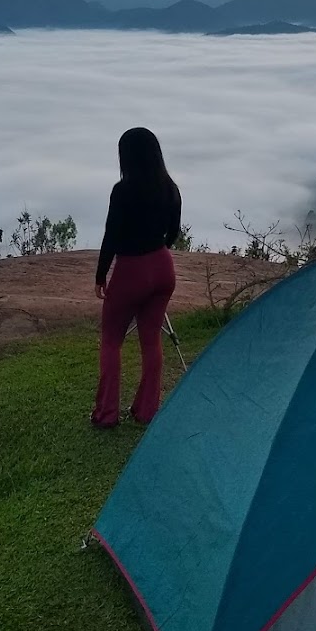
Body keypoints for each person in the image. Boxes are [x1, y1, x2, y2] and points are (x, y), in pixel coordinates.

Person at [92, 127, 182, 427]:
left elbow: (111, 236)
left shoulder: (122, 191)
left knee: (111, 340)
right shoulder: (170, 188)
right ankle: (146, 411)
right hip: (163, 267)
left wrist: (101, 275)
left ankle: (106, 414)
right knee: (151, 340)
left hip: (131, 270)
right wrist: (157, 251)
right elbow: (173, 232)